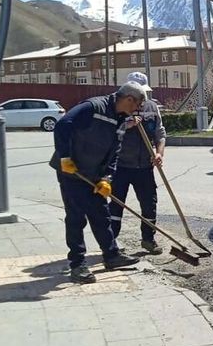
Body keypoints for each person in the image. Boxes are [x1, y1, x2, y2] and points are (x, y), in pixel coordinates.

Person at [49, 82, 145, 284]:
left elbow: (115, 152)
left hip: (94, 174)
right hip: (72, 171)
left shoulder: (121, 119)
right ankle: (77, 264)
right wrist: (65, 157)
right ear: (129, 99)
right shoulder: (93, 107)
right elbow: (63, 125)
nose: (138, 109)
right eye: (138, 104)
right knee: (76, 218)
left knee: (101, 214)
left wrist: (107, 178)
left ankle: (111, 255)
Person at [110, 72, 166, 255]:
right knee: (116, 205)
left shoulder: (152, 107)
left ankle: (148, 239)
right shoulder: (117, 108)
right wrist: (126, 125)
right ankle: (111, 244)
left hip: (144, 167)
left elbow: (160, 133)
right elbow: (108, 133)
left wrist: (159, 153)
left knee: (149, 204)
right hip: (121, 166)